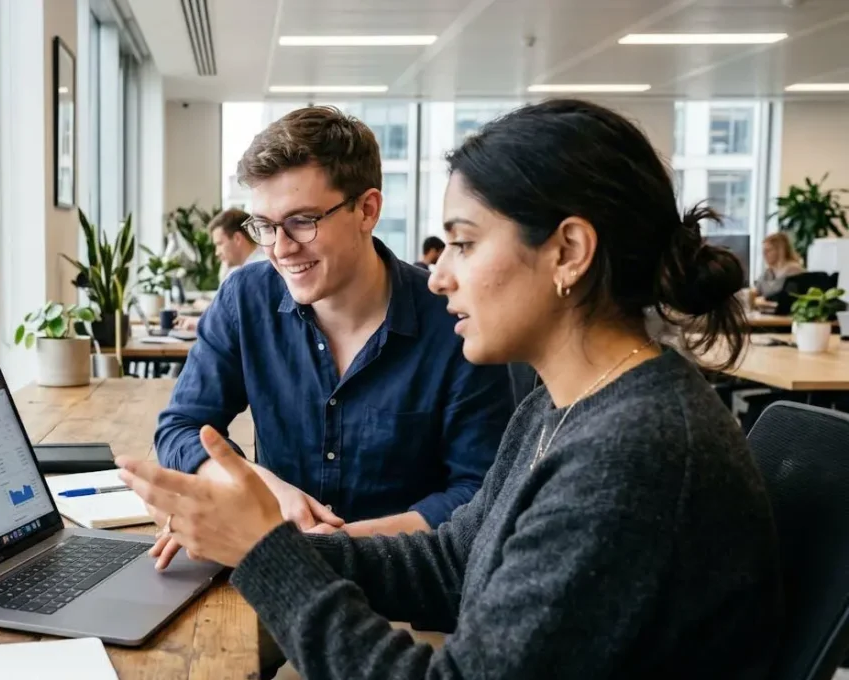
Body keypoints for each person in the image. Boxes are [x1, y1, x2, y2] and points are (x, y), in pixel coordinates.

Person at [121, 99, 782, 678]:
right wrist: (260, 539)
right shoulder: (564, 406)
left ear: (569, 252)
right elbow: (450, 560)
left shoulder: (632, 453)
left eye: (463, 244)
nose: (438, 278)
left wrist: (267, 554)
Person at [153, 105, 515, 569]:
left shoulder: (454, 323)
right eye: (265, 226)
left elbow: (479, 492)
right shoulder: (245, 299)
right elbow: (180, 427)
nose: (281, 249)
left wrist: (326, 546)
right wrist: (260, 488)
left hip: (405, 581)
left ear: (367, 210)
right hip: (275, 573)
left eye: (302, 221)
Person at [176, 210, 270, 331]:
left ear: (237, 238)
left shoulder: (260, 270)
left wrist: (201, 323)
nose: (216, 252)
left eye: (219, 244)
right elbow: (228, 312)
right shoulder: (240, 269)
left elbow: (246, 322)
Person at [754, 231, 805, 299]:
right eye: (764, 251)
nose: (764, 254)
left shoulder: (794, 270)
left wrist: (761, 300)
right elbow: (755, 292)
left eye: (768, 250)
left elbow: (789, 298)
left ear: (781, 250)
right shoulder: (768, 272)